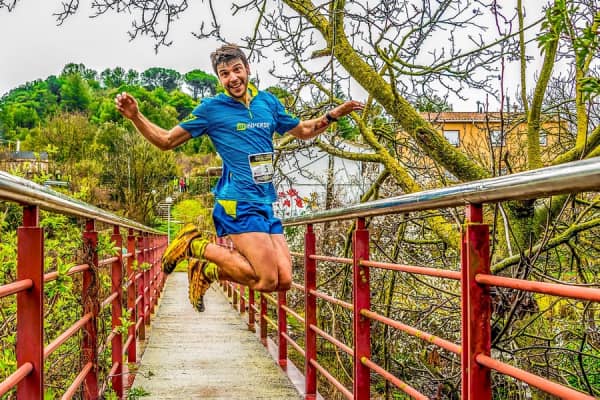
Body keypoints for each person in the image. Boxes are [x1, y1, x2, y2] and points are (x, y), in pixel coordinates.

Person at [115, 43, 363, 311]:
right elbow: (166, 140)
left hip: (264, 201)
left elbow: (303, 130)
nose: (232, 78)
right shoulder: (212, 110)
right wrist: (136, 116)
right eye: (224, 74)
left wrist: (332, 115)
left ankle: (206, 270)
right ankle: (194, 245)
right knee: (266, 278)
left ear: (247, 69)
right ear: (219, 79)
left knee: (284, 279)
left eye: (236, 70)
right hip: (237, 202)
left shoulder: (268, 103)